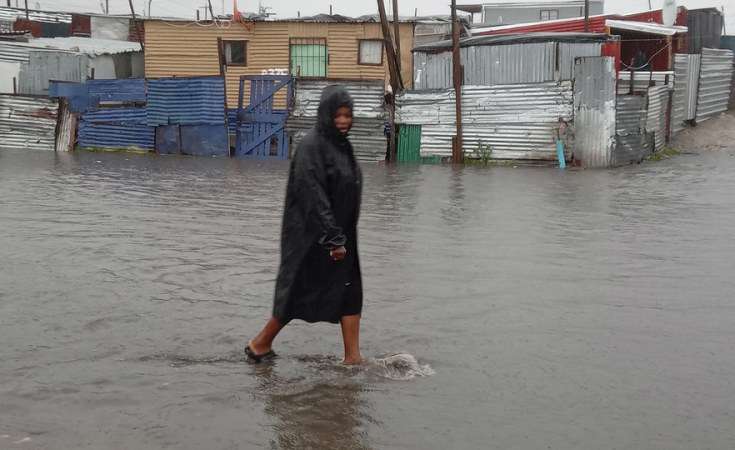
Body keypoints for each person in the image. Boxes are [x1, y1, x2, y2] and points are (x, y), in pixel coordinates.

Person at [245, 85, 364, 365]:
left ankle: (353, 358)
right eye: (338, 115)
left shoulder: (342, 146)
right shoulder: (311, 147)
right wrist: (333, 238)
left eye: (348, 115)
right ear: (326, 115)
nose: (343, 121)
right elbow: (313, 195)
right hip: (313, 238)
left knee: (351, 293)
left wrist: (342, 236)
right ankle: (260, 344)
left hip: (341, 237)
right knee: (297, 293)